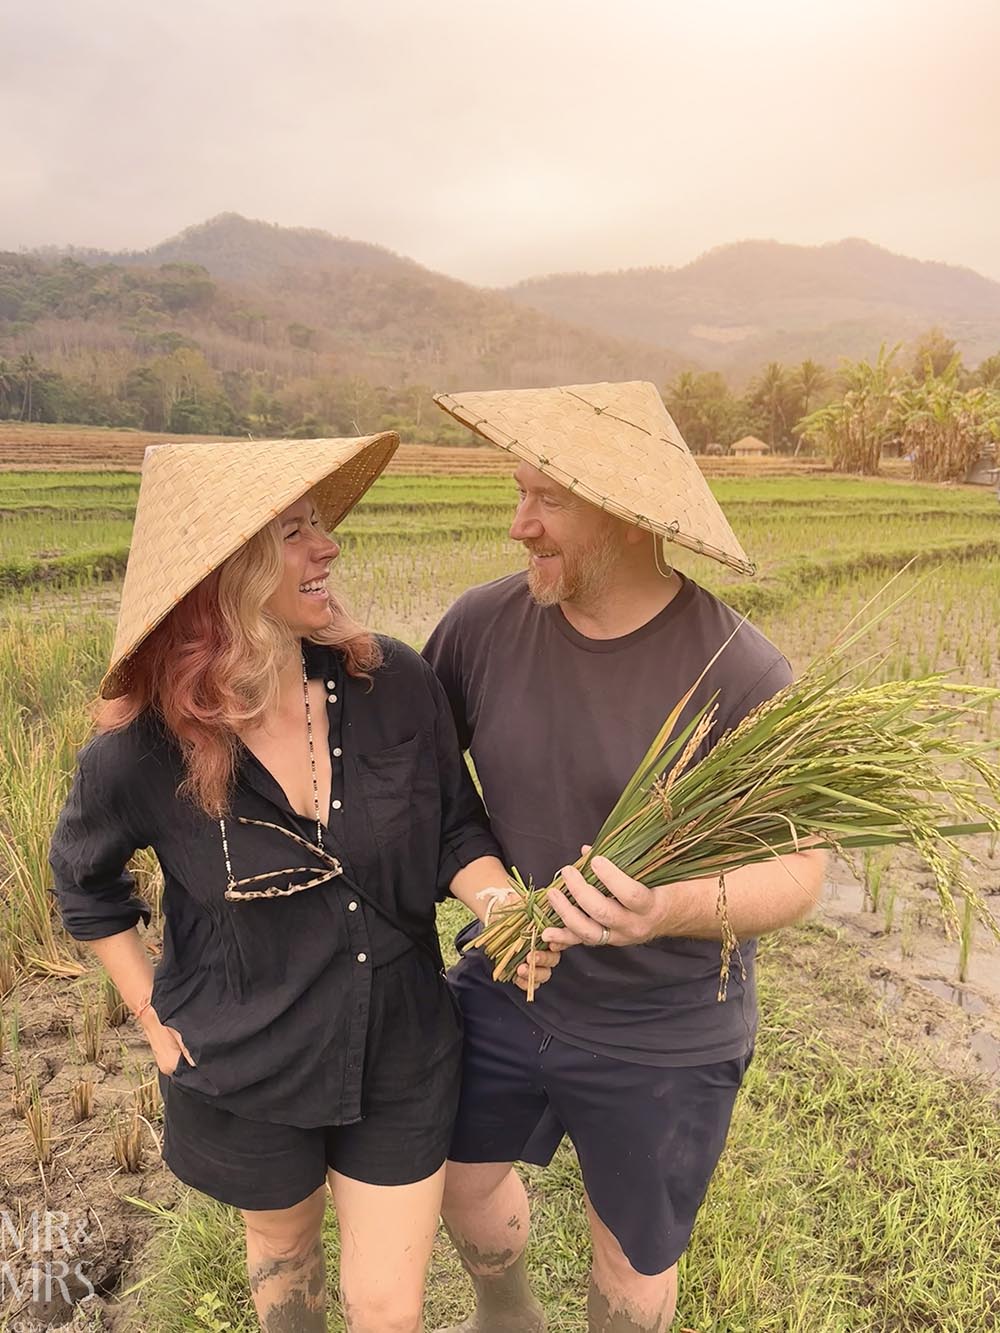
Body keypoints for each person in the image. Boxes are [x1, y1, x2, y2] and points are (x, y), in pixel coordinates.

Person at [49, 435, 559, 1333]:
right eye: (292, 532)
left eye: (318, 524)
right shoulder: (140, 754)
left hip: (398, 1042)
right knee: (285, 1267)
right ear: (224, 577)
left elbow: (453, 827)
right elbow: (84, 884)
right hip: (244, 1059)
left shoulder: (393, 682)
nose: (327, 547)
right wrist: (148, 1013)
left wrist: (498, 903)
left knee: (384, 1306)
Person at [424, 382, 827, 1333]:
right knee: (450, 1180)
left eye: (547, 501)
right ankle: (507, 1316)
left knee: (631, 1260)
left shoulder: (739, 669)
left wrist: (663, 909)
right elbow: (434, 795)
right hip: (510, 980)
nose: (519, 525)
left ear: (631, 516)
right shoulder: (481, 627)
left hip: (667, 1020)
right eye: (515, 493)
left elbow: (799, 870)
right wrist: (494, 904)